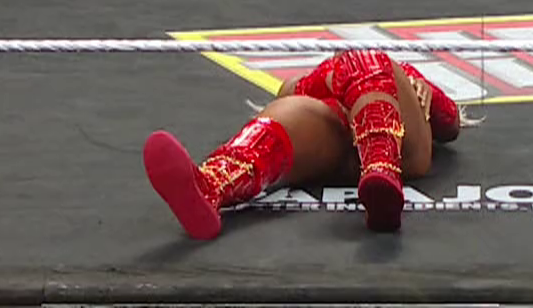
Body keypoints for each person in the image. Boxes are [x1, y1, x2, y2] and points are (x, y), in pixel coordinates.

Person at [144, 49, 462, 239]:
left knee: (365, 60)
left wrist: (426, 93)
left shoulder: (398, 72)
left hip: (402, 147)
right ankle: (210, 185)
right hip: (334, 145)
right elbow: (288, 93)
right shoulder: (319, 87)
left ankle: (381, 167)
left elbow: (450, 123)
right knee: (288, 112)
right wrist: (335, 78)